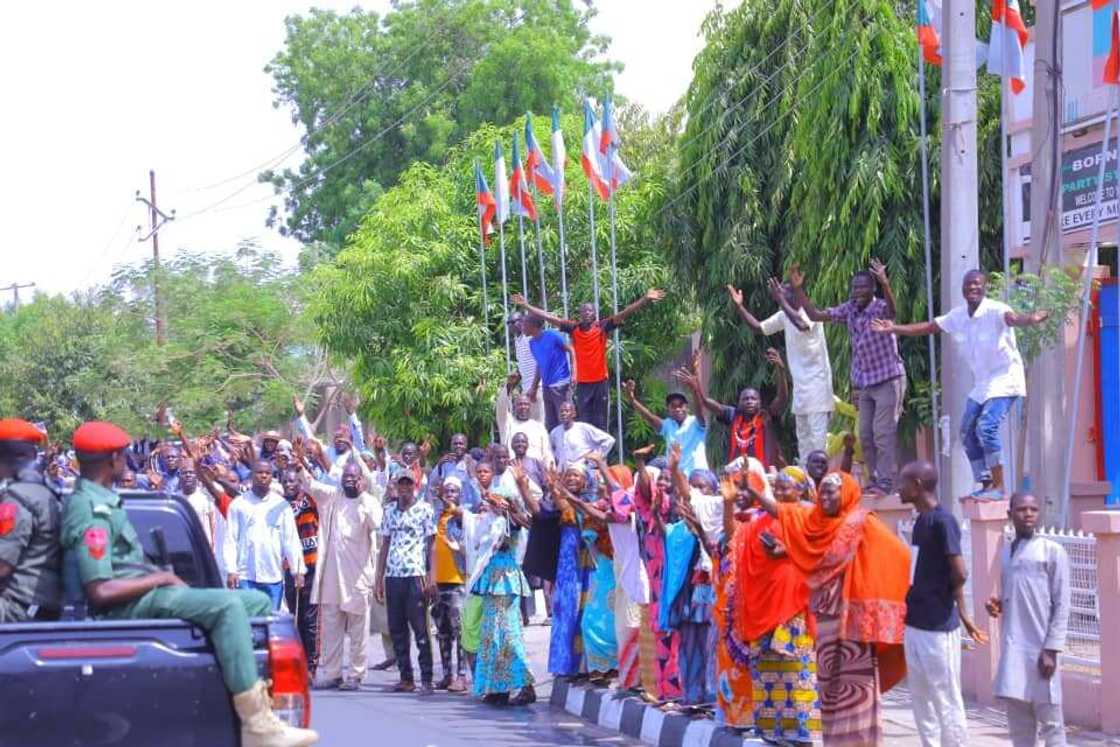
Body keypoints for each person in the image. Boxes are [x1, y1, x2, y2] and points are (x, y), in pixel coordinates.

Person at [60, 421, 318, 747]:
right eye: (122, 454)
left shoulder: (104, 499)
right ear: (111, 459)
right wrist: (163, 577)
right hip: (123, 609)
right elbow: (100, 591)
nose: (125, 460)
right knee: (227, 606)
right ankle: (256, 724)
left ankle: (255, 698)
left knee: (256, 604)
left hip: (142, 597)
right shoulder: (91, 508)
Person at [752, 470, 910, 744]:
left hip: (854, 622)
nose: (825, 496)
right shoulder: (816, 524)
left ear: (846, 493)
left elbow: (899, 553)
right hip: (825, 619)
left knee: (856, 687)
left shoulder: (861, 523)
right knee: (828, 687)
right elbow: (787, 515)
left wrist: (871, 593)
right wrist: (756, 494)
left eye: (831, 491)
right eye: (822, 490)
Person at [872, 270, 1050, 498]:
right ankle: (985, 483)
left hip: (1006, 379)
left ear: (984, 288)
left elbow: (1013, 319)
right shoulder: (958, 316)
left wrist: (1031, 319)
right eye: (968, 285)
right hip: (983, 384)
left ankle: (999, 486)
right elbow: (928, 327)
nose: (972, 288)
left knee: (986, 427)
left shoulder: (996, 309)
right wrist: (893, 328)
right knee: (966, 432)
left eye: (977, 284)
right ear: (963, 289)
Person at [791, 260, 906, 493]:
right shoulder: (850, 308)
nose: (857, 292)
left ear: (872, 288)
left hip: (888, 378)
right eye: (854, 288)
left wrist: (885, 282)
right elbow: (815, 315)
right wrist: (797, 289)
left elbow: (893, 310)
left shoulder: (880, 307)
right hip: (865, 382)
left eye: (863, 287)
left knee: (882, 432)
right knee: (865, 434)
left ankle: (885, 481)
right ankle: (873, 479)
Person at [729, 464, 821, 745]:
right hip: (764, 605)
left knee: (796, 668)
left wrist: (787, 551)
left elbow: (817, 551)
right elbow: (740, 540)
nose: (780, 491)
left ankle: (803, 733)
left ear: (802, 490)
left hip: (793, 605)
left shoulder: (808, 514)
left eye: (786, 486)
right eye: (777, 486)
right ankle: (772, 731)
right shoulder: (762, 521)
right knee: (768, 669)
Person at [897, 460, 986, 747]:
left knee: (946, 697)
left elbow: (959, 571)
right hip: (915, 624)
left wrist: (962, 613)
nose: (899, 488)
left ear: (918, 486)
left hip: (938, 627)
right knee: (921, 699)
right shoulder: (921, 521)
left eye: (904, 483)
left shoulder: (943, 521)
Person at [513, 288, 665, 430]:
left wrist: (645, 299)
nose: (586, 312)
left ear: (594, 313)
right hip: (583, 384)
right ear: (580, 314)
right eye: (583, 310)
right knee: (584, 423)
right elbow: (550, 317)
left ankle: (601, 458)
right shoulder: (574, 328)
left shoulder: (602, 327)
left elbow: (624, 313)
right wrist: (526, 305)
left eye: (589, 310)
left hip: (600, 382)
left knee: (601, 422)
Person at [987, 493, 1071, 747]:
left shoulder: (1052, 551)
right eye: (1022, 509)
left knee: (1052, 725)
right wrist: (998, 605)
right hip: (1014, 652)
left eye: (1033, 509)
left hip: (1041, 652)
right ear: (1009, 514)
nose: (1028, 514)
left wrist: (1051, 649)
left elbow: (1062, 603)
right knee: (1020, 730)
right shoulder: (1005, 553)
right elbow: (1017, 593)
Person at [728, 278, 834, 461]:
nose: (782, 295)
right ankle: (807, 483)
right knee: (804, 442)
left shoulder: (809, 312)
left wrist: (780, 301)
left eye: (785, 292)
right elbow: (758, 327)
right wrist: (740, 307)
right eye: (780, 292)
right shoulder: (784, 315)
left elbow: (802, 325)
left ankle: (819, 484)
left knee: (818, 443)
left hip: (818, 386)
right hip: (801, 390)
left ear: (798, 294)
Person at [303, 459, 381, 691]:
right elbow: (310, 484)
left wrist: (364, 500)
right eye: (346, 477)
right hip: (331, 579)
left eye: (354, 478)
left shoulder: (369, 502)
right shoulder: (332, 497)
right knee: (331, 629)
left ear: (362, 480)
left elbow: (378, 524)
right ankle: (333, 673)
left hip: (358, 577)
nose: (349, 481)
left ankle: (356, 675)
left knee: (358, 630)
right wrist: (300, 464)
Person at [469, 463, 537, 706]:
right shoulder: (487, 519)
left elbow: (525, 525)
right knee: (492, 636)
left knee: (509, 635)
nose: (495, 505)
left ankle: (526, 686)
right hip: (491, 581)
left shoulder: (512, 521)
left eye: (500, 501)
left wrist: (507, 511)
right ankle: (498, 688)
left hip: (506, 582)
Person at [374, 472, 436, 694]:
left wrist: (431, 577)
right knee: (396, 628)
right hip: (393, 575)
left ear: (414, 485)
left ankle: (427, 678)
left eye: (408, 483)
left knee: (420, 629)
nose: (404, 488)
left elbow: (431, 545)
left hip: (415, 574)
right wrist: (378, 578)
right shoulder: (389, 511)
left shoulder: (425, 510)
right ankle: (406, 678)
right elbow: (385, 545)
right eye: (401, 484)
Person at [680, 348, 788, 468]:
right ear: (739, 403)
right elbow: (705, 402)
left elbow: (782, 398)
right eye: (745, 399)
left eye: (753, 399)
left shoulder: (766, 416)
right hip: (736, 475)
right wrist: (696, 386)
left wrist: (781, 370)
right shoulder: (733, 415)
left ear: (760, 402)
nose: (749, 402)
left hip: (763, 475)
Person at [0, 418, 62, 623]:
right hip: (35, 605)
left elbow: (2, 565)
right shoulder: (44, 491)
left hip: (17, 608)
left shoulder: (16, 500)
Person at [224, 460, 307, 611]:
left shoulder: (281, 505)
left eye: (267, 473)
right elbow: (230, 540)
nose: (263, 476)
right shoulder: (238, 504)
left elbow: (291, 540)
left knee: (271, 621)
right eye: (259, 472)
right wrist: (231, 570)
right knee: (248, 622)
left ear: (271, 477)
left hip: (273, 575)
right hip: (244, 576)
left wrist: (298, 571)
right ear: (252, 475)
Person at [624, 370, 709, 477]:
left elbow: (700, 409)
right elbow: (650, 417)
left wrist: (695, 389)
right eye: (673, 406)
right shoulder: (668, 425)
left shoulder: (696, 422)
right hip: (677, 479)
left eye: (681, 405)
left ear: (687, 407)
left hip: (698, 477)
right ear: (668, 410)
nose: (678, 409)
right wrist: (632, 400)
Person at [278, 467, 320, 679]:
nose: (289, 485)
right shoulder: (280, 505)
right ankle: (299, 662)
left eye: (293, 481)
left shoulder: (311, 500)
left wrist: (301, 462)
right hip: (291, 567)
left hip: (311, 564)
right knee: (294, 616)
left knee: (309, 618)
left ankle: (312, 665)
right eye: (285, 482)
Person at [427, 476, 468, 693]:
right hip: (439, 581)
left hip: (457, 581)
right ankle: (446, 675)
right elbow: (431, 548)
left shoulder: (463, 517)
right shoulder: (437, 517)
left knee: (459, 630)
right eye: (447, 491)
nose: (449, 494)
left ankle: (462, 676)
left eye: (454, 491)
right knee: (442, 631)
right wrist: (430, 577)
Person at [522, 314, 577, 432]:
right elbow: (540, 364)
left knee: (565, 420)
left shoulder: (552, 335)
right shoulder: (532, 343)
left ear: (533, 325)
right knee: (551, 424)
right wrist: (534, 387)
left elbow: (571, 350)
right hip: (547, 387)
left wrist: (574, 374)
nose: (522, 327)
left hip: (560, 384)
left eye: (524, 324)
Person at [496, 375, 554, 466]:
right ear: (514, 407)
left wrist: (550, 470)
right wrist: (508, 386)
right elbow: (501, 407)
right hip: (513, 469)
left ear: (530, 407)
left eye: (526, 404)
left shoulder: (538, 427)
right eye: (520, 404)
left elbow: (547, 452)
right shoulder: (508, 424)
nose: (523, 407)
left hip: (536, 471)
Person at [549, 400, 615, 469]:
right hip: (563, 474)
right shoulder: (555, 432)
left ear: (574, 414)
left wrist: (593, 459)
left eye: (566, 411)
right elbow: (549, 450)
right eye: (561, 411)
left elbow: (609, 440)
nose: (563, 413)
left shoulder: (583, 428)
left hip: (582, 472)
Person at [427, 433, 481, 511]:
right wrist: (439, 464)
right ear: (451, 446)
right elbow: (432, 485)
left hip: (467, 509)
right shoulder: (445, 463)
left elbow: (478, 488)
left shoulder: (472, 463)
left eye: (461, 443)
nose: (458, 446)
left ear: (466, 445)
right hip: (447, 508)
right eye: (455, 444)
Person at [508, 312, 545, 423]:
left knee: (540, 422)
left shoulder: (529, 338)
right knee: (530, 423)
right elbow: (523, 365)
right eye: (508, 323)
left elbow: (540, 361)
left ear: (522, 322)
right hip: (527, 389)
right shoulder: (517, 340)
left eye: (512, 322)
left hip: (537, 388)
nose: (510, 325)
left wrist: (534, 387)